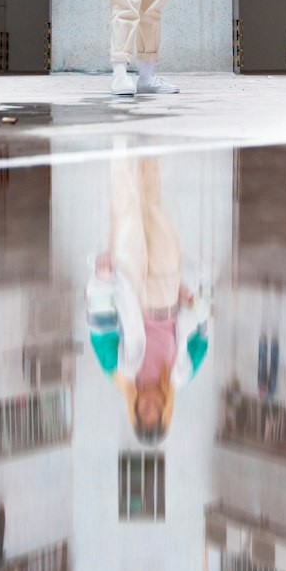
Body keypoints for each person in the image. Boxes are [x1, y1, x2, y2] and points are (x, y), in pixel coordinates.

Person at [86, 157, 209, 443]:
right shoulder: (182, 374)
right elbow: (202, 334)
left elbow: (100, 330)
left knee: (129, 215)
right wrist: (193, 302)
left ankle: (121, 146)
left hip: (132, 295)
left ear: (135, 408)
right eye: (157, 409)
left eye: (145, 409)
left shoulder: (119, 372)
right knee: (155, 214)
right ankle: (148, 151)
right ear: (167, 409)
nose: (151, 402)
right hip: (167, 294)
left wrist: (103, 280)